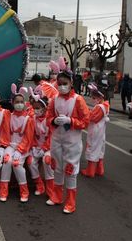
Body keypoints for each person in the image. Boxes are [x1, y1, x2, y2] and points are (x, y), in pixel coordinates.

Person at [46, 58, 89, 214]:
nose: (62, 86)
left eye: (65, 83)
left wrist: (71, 121)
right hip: (57, 139)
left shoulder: (79, 100)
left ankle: (70, 202)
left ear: (71, 83)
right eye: (60, 83)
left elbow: (86, 121)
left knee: (70, 170)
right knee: (57, 167)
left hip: (72, 142)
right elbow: (47, 118)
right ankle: (57, 197)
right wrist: (53, 120)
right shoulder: (54, 100)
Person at [0, 84, 34, 202]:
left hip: (23, 148)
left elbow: (28, 138)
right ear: (12, 103)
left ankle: (24, 191)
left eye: (21, 101)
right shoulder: (9, 116)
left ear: (24, 103)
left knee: (17, 164)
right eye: (17, 102)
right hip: (10, 145)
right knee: (7, 161)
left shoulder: (28, 119)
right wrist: (4, 146)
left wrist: (20, 150)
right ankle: (3, 190)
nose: (19, 104)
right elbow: (5, 132)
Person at [26, 87, 54, 200]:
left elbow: (52, 136)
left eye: (38, 108)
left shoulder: (50, 120)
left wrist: (44, 148)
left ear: (44, 108)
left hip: (48, 148)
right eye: (34, 108)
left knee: (47, 161)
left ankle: (51, 190)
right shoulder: (32, 119)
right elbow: (30, 134)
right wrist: (33, 146)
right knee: (30, 161)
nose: (35, 110)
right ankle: (39, 185)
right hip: (36, 147)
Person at [81, 83, 110, 178]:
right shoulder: (105, 105)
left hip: (95, 131)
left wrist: (86, 112)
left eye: (94, 98)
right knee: (100, 150)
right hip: (101, 131)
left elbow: (93, 118)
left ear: (100, 97)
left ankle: (90, 171)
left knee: (92, 149)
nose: (92, 99)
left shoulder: (99, 107)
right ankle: (99, 169)